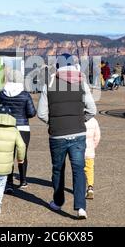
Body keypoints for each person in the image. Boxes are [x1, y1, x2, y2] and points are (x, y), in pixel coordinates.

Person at [37, 53, 97, 220]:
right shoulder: (82, 82)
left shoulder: (49, 83)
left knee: (58, 169)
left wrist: (53, 122)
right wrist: (80, 120)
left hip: (57, 135)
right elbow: (92, 110)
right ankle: (80, 208)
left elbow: (41, 113)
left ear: (57, 66)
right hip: (78, 133)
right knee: (78, 169)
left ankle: (58, 202)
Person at [0, 70, 36, 193]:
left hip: (6, 127)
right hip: (22, 127)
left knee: (8, 155)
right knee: (22, 154)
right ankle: (23, 181)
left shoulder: (2, 94)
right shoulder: (25, 95)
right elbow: (31, 112)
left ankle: (9, 182)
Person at [84, 117, 101, 200]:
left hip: (78, 150)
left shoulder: (77, 118)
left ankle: (80, 189)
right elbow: (97, 136)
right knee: (89, 169)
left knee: (78, 170)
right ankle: (90, 188)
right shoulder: (94, 120)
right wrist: (93, 146)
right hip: (90, 150)